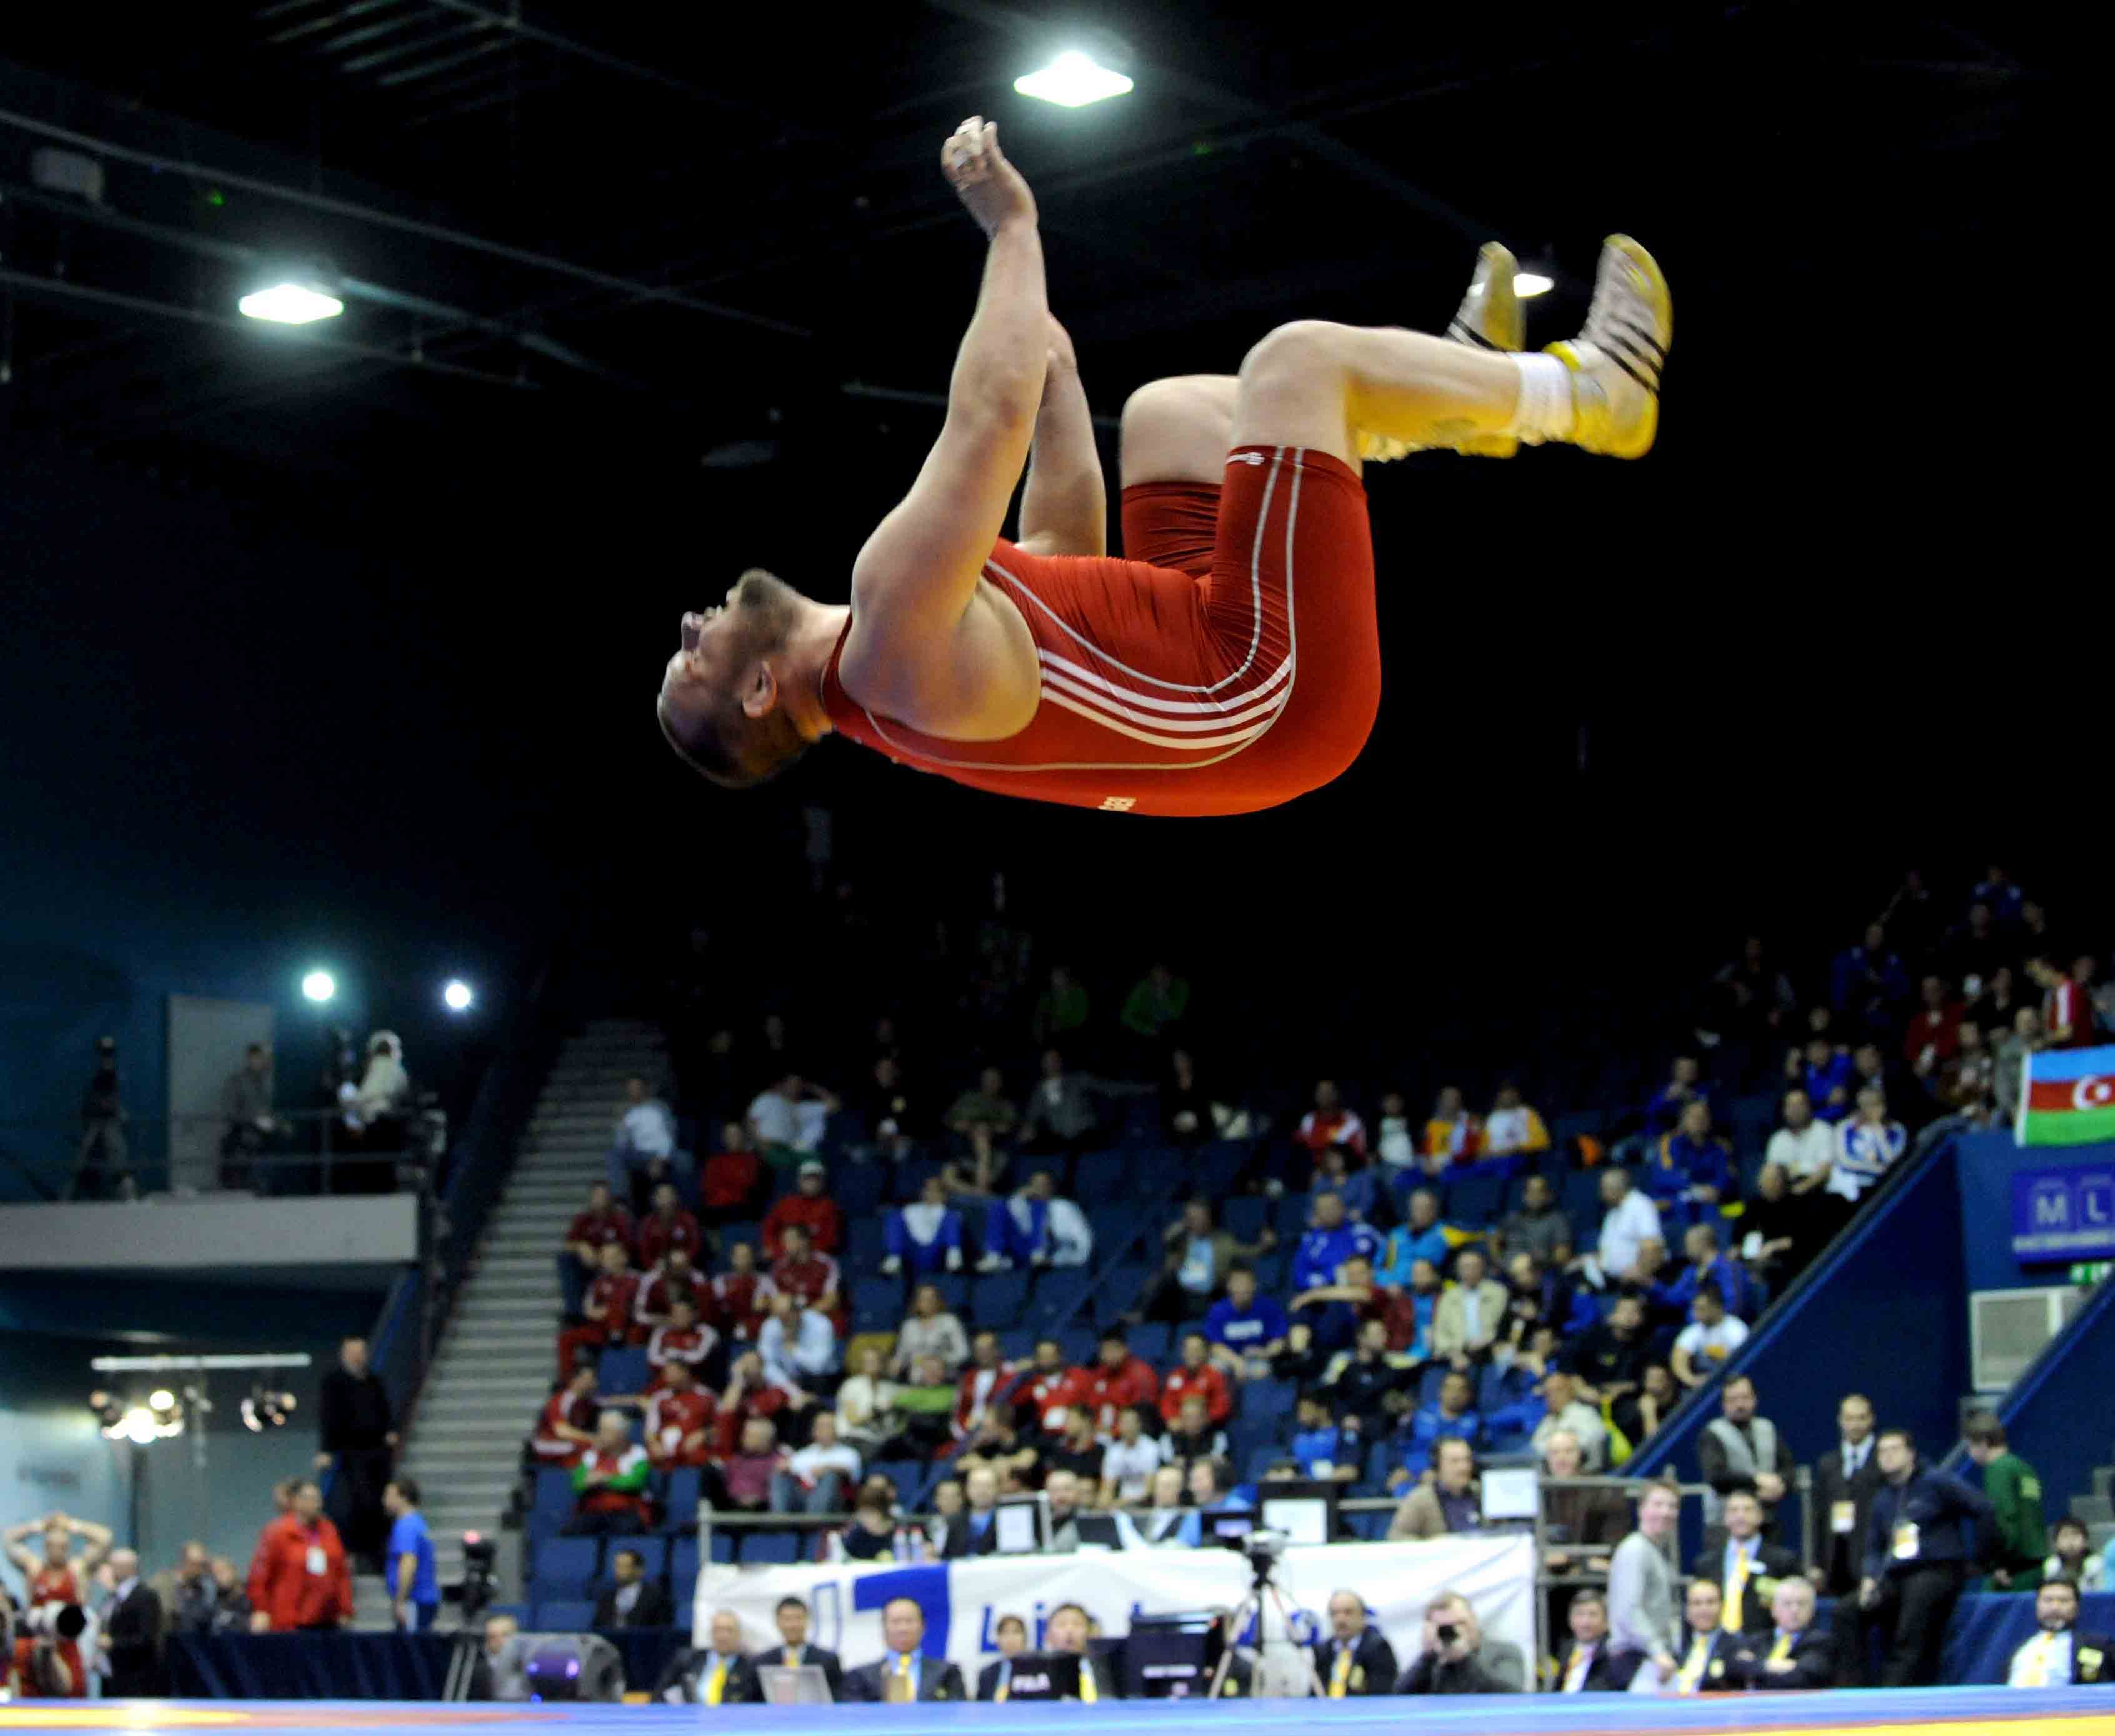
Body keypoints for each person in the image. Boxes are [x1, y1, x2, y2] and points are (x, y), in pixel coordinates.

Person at [657, 115, 1672, 813]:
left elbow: (1059, 553)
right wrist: (1012, 229)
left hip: (1203, 656)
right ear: (757, 692)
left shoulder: (902, 666)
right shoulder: (885, 650)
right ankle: (1587, 394)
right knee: (1296, 365)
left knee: (1167, 412)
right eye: (693, 656)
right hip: (1266, 695)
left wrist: (1058, 390)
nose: (690, 624)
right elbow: (984, 415)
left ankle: (1452, 402)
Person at [1858, 1425, 1995, 1687]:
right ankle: (1850, 1686)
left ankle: (1893, 1695)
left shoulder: (1937, 1482)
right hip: (1896, 1573)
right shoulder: (1882, 1497)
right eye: (1882, 1451)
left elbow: (1983, 1508)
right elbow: (1874, 1546)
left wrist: (1982, 1560)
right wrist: (1868, 1578)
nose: (1887, 1456)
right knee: (1847, 1611)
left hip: (1936, 1569)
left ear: (1911, 1454)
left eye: (1894, 1449)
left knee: (1911, 1623)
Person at [316, 1335, 397, 1568]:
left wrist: (390, 1430)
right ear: (345, 1355)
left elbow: (384, 1409)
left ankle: (379, 1553)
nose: (358, 1357)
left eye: (361, 1352)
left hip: (377, 1450)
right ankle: (360, 1551)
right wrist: (327, 1450)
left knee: (381, 1501)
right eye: (353, 1352)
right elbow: (328, 1417)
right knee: (361, 1500)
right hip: (352, 1450)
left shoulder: (374, 1381)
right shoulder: (334, 1382)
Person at [246, 1479, 351, 1632]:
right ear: (296, 1501)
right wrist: (261, 1609)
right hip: (290, 1620)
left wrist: (345, 1608)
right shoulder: (277, 1532)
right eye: (310, 1499)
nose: (317, 1504)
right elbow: (260, 1575)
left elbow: (341, 1573)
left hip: (327, 1619)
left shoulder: (329, 1531)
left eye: (318, 1499)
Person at [1607, 1482, 1683, 1690]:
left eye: (1672, 1506)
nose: (1665, 1512)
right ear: (1642, 1509)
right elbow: (1629, 1611)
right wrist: (1658, 1651)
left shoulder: (1656, 1552)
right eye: (1658, 1505)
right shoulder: (1635, 1549)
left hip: (1653, 1658)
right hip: (1637, 1660)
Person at [1692, 1490, 1798, 1637]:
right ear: (1725, 1518)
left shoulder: (1782, 1561)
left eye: (1748, 1510)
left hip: (1764, 1646)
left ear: (1760, 1516)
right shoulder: (1706, 1564)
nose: (1741, 1516)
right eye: (1734, 1510)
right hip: (1718, 1646)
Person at [1696, 1375, 1793, 1535]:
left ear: (1755, 1399)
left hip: (1766, 1521)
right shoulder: (1712, 1433)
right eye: (1733, 1400)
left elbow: (1788, 1468)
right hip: (1725, 1525)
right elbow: (1716, 1476)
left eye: (1745, 1398)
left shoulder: (1767, 1428)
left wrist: (1779, 1484)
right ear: (1724, 1404)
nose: (1740, 1405)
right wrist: (1757, 1482)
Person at [1964, 1411, 2049, 1590]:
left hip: (2012, 1571)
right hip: (2035, 1566)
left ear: (1983, 1443)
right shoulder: (2025, 1468)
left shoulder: (1998, 1470)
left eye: (1970, 1446)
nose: (1969, 1452)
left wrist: (1999, 1563)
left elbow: (2004, 1517)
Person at [1540, 1430, 1628, 1577]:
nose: (1562, 1458)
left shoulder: (1602, 1490)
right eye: (1555, 1453)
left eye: (1569, 1451)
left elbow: (1612, 1548)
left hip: (1590, 1574)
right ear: (1547, 1458)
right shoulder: (1539, 1493)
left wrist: (1573, 1560)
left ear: (1581, 1454)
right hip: (1547, 1574)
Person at [844, 1597, 966, 1702]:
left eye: (910, 1621)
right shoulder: (861, 1676)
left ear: (923, 1627)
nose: (903, 1629)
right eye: (896, 1622)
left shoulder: (947, 1672)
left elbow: (957, 1711)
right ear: (884, 1627)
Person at [1394, 1590, 1511, 1694]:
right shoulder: (1430, 1662)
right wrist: (1428, 1656)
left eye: (1460, 1623)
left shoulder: (1503, 1652)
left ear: (1474, 1620)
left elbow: (1511, 1693)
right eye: (1444, 1627)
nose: (1454, 1630)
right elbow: (1399, 1696)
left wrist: (1465, 1659)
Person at [1725, 1578, 1833, 1690]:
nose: (1795, 1610)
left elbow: (1802, 1676)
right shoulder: (1756, 1640)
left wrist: (1756, 1666)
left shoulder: (1821, 1642)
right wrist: (1772, 1665)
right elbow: (1733, 1667)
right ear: (1774, 1609)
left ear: (1812, 1610)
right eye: (1787, 1604)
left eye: (1802, 1604)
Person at [980, 1168, 1093, 1270]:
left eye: (1043, 1185)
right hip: (1026, 1251)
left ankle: (1039, 1252)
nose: (1038, 1189)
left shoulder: (1064, 1207)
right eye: (1034, 1185)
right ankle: (994, 1257)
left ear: (1053, 1187)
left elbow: (1085, 1245)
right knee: (998, 1206)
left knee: (1040, 1207)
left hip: (1053, 1253)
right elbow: (1010, 1215)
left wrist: (1056, 1261)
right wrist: (1020, 1195)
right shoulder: (1027, 1206)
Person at [2007, 1577, 2111, 1686]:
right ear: (2037, 1605)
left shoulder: (2097, 1645)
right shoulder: (2020, 1647)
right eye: (2048, 1600)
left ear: (2076, 1607)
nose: (2055, 1607)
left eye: (2064, 1601)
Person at [566, 1410, 653, 1535]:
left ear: (620, 1434)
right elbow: (578, 1484)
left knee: (629, 1529)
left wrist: (604, 1479)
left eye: (606, 1431)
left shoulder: (638, 1454)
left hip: (626, 1512)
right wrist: (589, 1482)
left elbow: (635, 1482)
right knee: (571, 1532)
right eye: (600, 1430)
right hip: (593, 1512)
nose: (600, 1435)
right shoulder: (590, 1455)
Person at [96, 1548, 165, 1698]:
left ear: (125, 1568)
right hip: (113, 1676)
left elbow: (147, 1639)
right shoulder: (112, 1597)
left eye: (112, 1566)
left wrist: (113, 1643)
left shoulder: (146, 1597)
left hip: (138, 1679)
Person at [4, 1513, 112, 1606]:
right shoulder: (34, 1568)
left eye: (62, 1547)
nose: (57, 1551)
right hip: (40, 1626)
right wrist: (38, 1526)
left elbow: (105, 1538)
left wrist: (73, 1525)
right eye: (52, 1546)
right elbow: (9, 1539)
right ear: (46, 1547)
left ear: (67, 1547)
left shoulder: (78, 1568)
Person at [661, 1607, 762, 1705]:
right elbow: (661, 1694)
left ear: (739, 1634)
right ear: (711, 1633)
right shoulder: (687, 1659)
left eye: (729, 1630)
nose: (723, 1636)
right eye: (718, 1630)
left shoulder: (750, 1667)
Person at [1202, 1264, 1290, 1377]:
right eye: (1237, 1284)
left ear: (1254, 1286)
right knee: (1213, 1368)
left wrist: (1265, 1352)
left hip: (1259, 1359)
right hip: (1228, 1358)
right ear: (1229, 1286)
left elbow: (1279, 1341)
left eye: (1246, 1284)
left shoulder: (1268, 1307)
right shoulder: (1218, 1310)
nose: (1242, 1288)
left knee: (1263, 1370)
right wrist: (1237, 1362)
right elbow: (1215, 1346)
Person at [1388, 1436, 1482, 1540]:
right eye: (1455, 1461)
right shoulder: (1421, 1498)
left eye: (1467, 1460)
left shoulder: (1481, 1492)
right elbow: (1397, 1536)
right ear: (1438, 1465)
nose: (1464, 1467)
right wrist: (1431, 1547)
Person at [1547, 1589, 1639, 1692]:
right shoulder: (1566, 1648)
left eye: (1593, 1615)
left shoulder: (1614, 1653)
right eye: (1580, 1614)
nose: (1585, 1622)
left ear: (1606, 1622)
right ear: (1570, 1620)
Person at [754, 1595, 844, 1698]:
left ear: (807, 1620)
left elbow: (838, 1701)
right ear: (777, 1622)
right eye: (787, 1619)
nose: (793, 1625)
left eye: (798, 1618)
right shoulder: (762, 1662)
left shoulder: (829, 1661)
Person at [1431, 1247, 1507, 1370]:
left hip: (1490, 1351)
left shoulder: (1498, 1293)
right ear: (1458, 1270)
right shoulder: (1448, 1297)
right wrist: (1454, 1354)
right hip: (1457, 1352)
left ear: (1482, 1268)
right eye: (1465, 1267)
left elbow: (1503, 1326)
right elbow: (1440, 1334)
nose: (1470, 1271)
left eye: (1474, 1266)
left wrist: (1488, 1341)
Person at [1314, 1588, 1398, 1697]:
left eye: (1348, 1612)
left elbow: (1381, 1695)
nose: (1341, 1619)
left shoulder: (1378, 1648)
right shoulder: (1322, 1650)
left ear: (1362, 1616)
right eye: (1335, 1613)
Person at [1661, 1580, 1738, 1695]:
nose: (1704, 1609)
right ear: (1687, 1610)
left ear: (1722, 1606)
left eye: (1711, 1602)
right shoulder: (1675, 1647)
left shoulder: (1735, 1646)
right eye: (1697, 1603)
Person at [382, 1478, 439, 1633]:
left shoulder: (406, 1526)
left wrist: (401, 1600)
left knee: (412, 1650)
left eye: (389, 1495)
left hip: (414, 1600)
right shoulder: (418, 1523)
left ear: (404, 1498)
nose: (384, 1500)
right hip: (421, 1600)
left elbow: (408, 1562)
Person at [1671, 1288, 1750, 1390]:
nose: (1696, 1314)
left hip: (1734, 1380)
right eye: (1695, 1308)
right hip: (1703, 1381)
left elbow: (1744, 1361)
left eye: (1702, 1309)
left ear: (1717, 1307)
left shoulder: (1737, 1330)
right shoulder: (1695, 1330)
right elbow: (1678, 1358)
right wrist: (1692, 1380)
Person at [592, 1546, 673, 1630]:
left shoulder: (656, 1597)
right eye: (617, 1566)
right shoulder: (606, 1597)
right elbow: (597, 1627)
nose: (618, 1571)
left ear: (639, 1570)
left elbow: (663, 1629)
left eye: (624, 1566)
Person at [976, 1612, 1031, 1700]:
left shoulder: (1038, 1670)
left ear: (1025, 1638)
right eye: (1005, 1632)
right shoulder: (986, 1673)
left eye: (1016, 1632)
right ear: (998, 1639)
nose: (1010, 1638)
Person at [480, 1613, 532, 1702]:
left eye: (505, 1635)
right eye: (492, 1636)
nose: (499, 1640)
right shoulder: (476, 1668)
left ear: (516, 1636)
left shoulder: (528, 1665)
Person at [2046, 1517, 2106, 1593]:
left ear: (2086, 1541)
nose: (2070, 1542)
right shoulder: (2052, 1564)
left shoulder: (2096, 1564)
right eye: (2065, 1536)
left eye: (2075, 1535)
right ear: (2056, 1543)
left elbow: (2102, 1594)